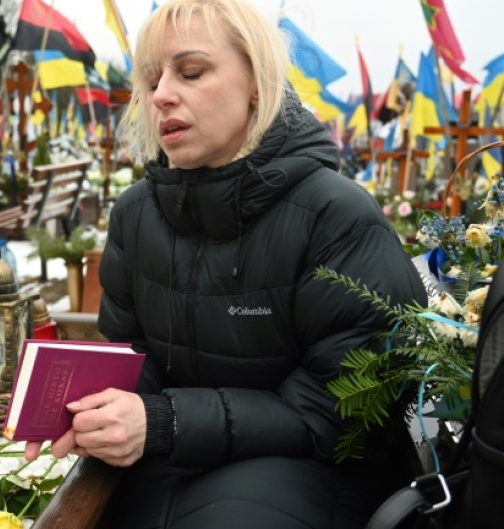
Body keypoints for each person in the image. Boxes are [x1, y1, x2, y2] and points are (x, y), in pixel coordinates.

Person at [23, 1, 427, 527]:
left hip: (316, 471)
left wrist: (164, 422)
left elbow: (345, 412)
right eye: (151, 80)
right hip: (168, 460)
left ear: (257, 82)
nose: (162, 94)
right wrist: (85, 410)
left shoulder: (335, 215)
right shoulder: (135, 212)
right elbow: (135, 356)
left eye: (191, 71)